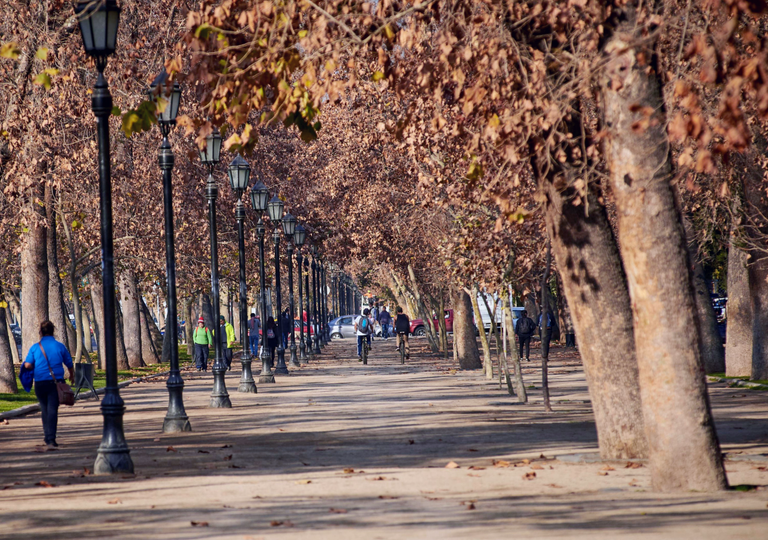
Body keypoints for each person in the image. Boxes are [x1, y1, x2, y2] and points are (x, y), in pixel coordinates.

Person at [23, 320, 74, 449]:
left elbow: (28, 364)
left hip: (40, 383)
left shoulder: (35, 347)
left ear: (41, 332)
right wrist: (72, 376)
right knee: (52, 410)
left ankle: (47, 436)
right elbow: (69, 363)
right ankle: (50, 438)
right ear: (53, 331)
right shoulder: (60, 346)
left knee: (44, 409)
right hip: (55, 382)